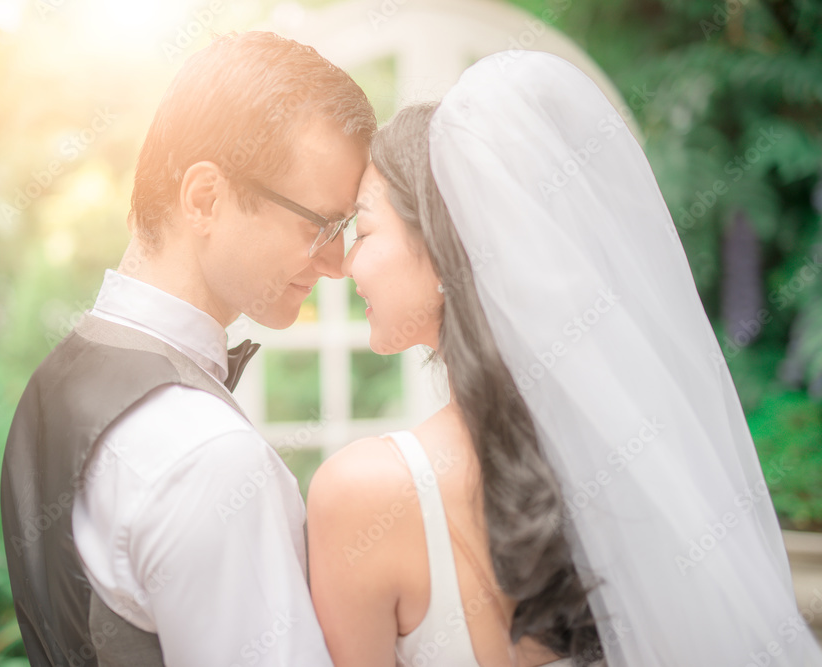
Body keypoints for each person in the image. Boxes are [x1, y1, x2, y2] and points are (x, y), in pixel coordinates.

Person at [307, 51, 822, 666]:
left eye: (362, 233)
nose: (342, 264)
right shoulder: (641, 466)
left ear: (446, 249)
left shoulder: (363, 494)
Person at [0, 31, 374, 666]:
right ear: (205, 199)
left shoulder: (60, 379)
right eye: (321, 224)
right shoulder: (207, 455)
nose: (338, 262)